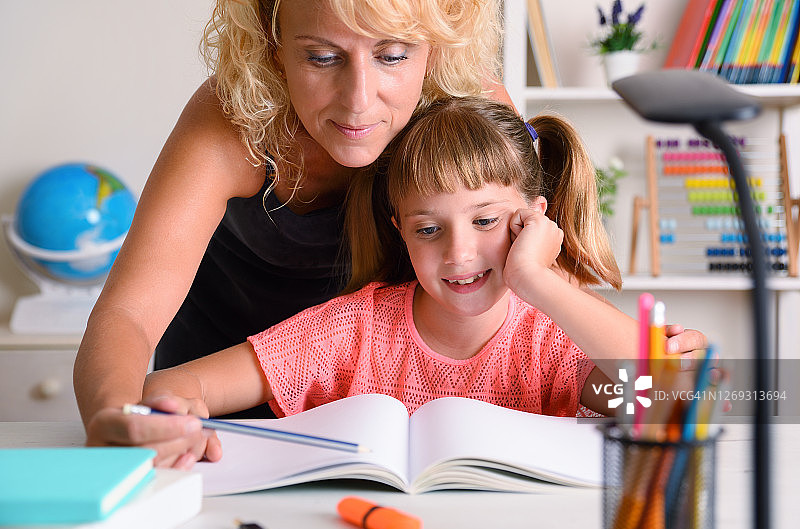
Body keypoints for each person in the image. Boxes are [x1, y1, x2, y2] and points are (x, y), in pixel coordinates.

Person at [74, 0, 706, 466]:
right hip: (231, 409)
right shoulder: (232, 123)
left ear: (437, 39)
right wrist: (119, 417)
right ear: (272, 39)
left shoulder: (469, 107)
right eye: (321, 57)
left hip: (396, 393)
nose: (358, 101)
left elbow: (528, 286)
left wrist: (639, 351)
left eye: (393, 56)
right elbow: (129, 313)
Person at [134, 96, 644, 469]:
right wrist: (173, 411)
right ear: (401, 230)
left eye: (485, 222)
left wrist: (537, 279)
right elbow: (172, 384)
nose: (459, 253)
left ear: (533, 222)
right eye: (429, 229)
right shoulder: (352, 329)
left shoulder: (553, 340)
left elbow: (668, 399)